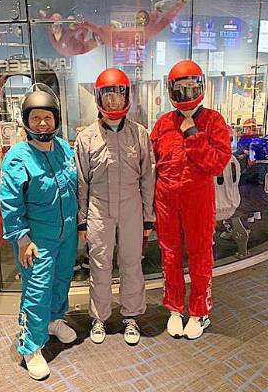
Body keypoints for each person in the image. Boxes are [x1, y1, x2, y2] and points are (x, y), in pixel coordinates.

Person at [0, 86, 78, 380]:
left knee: (61, 281)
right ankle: (30, 347)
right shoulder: (18, 157)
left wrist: (77, 225)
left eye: (48, 117)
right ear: (26, 121)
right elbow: (9, 203)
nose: (43, 123)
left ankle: (54, 322)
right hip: (37, 240)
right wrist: (21, 239)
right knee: (37, 291)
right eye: (36, 118)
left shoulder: (64, 149)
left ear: (56, 119)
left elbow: (73, 189)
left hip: (66, 234)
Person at [150, 60, 231, 340]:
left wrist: (193, 135)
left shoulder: (213, 121)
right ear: (171, 90)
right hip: (166, 199)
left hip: (198, 199)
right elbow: (153, 161)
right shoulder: (162, 123)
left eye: (190, 88)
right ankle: (174, 308)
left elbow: (217, 164)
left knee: (199, 255)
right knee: (169, 255)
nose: (185, 94)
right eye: (179, 89)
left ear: (200, 87)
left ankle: (198, 312)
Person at [74, 68, 155, 346]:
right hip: (99, 210)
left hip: (132, 208)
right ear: (99, 98)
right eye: (107, 97)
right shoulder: (85, 138)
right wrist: (83, 221)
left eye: (118, 96)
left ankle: (130, 317)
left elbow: (147, 178)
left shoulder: (140, 135)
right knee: (100, 265)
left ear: (127, 98)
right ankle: (99, 318)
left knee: (132, 264)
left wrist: (147, 219)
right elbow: (81, 183)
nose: (113, 103)